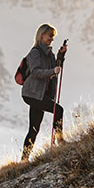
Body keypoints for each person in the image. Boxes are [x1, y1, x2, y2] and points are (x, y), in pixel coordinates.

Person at [21, 23, 68, 161]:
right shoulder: (35, 52)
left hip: (39, 94)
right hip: (32, 93)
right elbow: (35, 72)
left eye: (53, 37)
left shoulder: (49, 53)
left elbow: (56, 68)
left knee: (34, 128)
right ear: (42, 35)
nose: (52, 39)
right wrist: (52, 71)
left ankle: (23, 160)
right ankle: (60, 141)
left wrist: (61, 55)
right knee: (58, 110)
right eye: (50, 36)